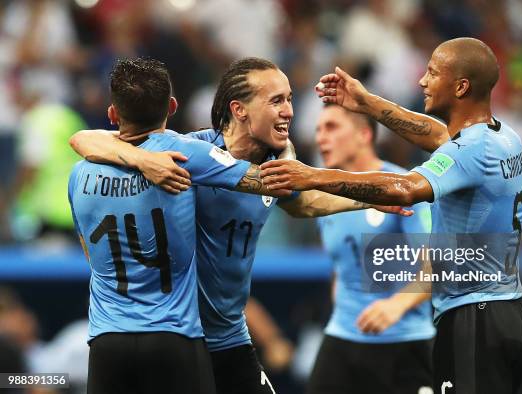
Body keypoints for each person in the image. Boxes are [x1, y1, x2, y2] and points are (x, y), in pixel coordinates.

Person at [69, 57, 408, 394]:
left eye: (289, 99)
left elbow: (303, 202)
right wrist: (144, 159)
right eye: (276, 100)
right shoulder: (190, 154)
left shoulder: (275, 162)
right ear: (240, 109)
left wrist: (365, 199)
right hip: (184, 337)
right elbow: (89, 139)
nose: (289, 110)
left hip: (229, 336)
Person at [260, 38, 522, 394]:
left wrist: (311, 175)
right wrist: (366, 102)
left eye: (433, 73)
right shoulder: (503, 137)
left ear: (461, 86)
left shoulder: (471, 150)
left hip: (473, 318)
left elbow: (405, 189)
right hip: (506, 310)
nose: (422, 81)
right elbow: (436, 134)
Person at [68, 57, 295, 394]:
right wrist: (288, 154)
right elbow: (271, 182)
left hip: (107, 340)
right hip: (175, 336)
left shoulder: (79, 175)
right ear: (172, 107)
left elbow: (89, 249)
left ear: (113, 114)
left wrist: (138, 158)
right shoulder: (187, 158)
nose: (288, 109)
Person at [307, 103, 436, 394]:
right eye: (317, 129)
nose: (320, 138)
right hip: (342, 339)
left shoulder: (403, 188)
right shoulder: (323, 197)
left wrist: (396, 304)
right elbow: (343, 265)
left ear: (364, 135)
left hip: (404, 343)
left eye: (331, 127)